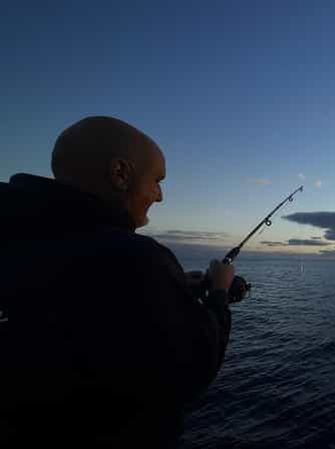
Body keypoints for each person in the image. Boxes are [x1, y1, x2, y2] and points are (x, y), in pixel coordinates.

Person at [0, 116, 234, 448]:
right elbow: (194, 366)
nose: (160, 195)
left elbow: (74, 300)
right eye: (157, 180)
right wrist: (219, 294)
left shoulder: (18, 235)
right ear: (120, 174)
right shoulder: (135, 258)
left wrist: (170, 286)